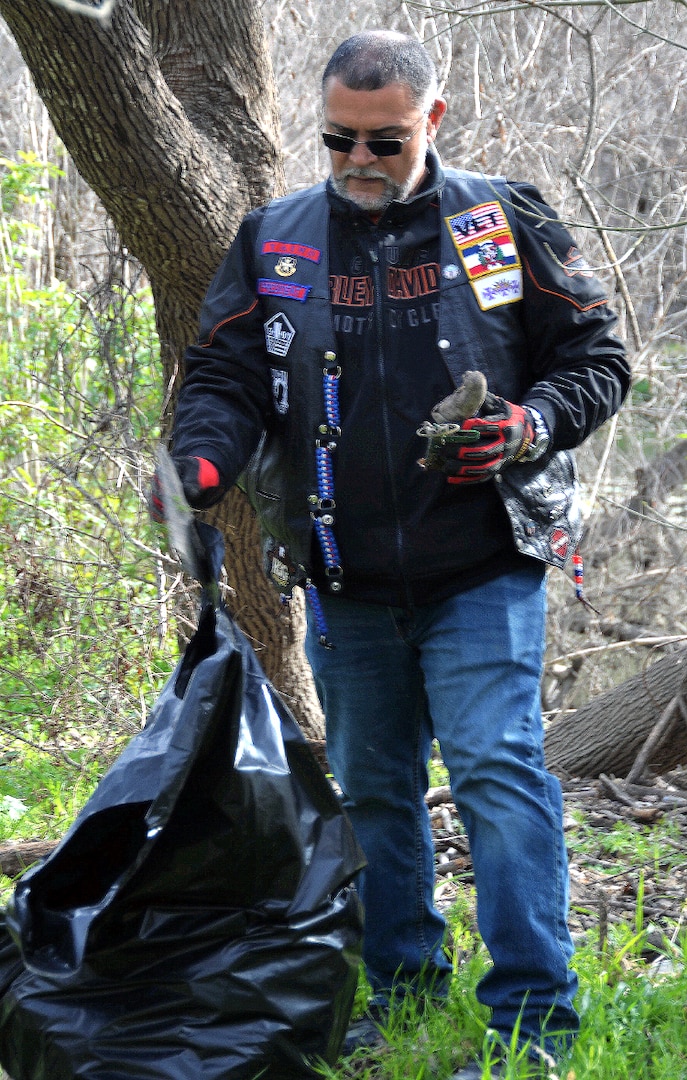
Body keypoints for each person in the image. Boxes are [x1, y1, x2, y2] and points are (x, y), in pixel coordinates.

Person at [152, 30, 630, 1078]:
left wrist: (532, 424)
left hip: (483, 565)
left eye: (386, 140)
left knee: (500, 774)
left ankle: (532, 1027)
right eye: (339, 140)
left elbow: (598, 358)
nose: (360, 160)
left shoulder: (504, 221)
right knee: (373, 790)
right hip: (342, 573)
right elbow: (225, 380)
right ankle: (404, 993)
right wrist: (200, 467)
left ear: (434, 123)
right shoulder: (275, 241)